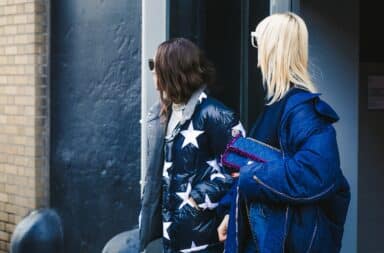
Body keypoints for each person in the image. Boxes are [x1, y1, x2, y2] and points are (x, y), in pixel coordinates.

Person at [217, 12, 350, 253]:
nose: (257, 57)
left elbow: (316, 173)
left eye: (258, 41)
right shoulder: (278, 106)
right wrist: (232, 212)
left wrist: (250, 175)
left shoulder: (301, 109)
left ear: (272, 48)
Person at [139, 38, 245, 253]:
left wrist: (195, 200)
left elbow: (243, 170)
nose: (152, 71)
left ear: (173, 71)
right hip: (170, 236)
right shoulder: (162, 114)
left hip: (203, 240)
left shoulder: (216, 114)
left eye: (155, 65)